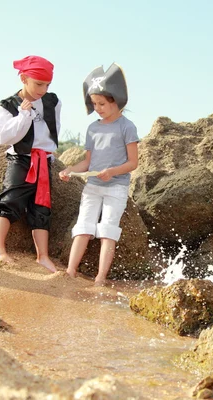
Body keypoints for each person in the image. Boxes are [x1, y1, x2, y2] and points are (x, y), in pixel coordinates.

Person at [59, 63, 139, 285]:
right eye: (94, 104)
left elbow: (133, 162)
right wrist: (69, 170)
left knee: (108, 231)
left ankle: (100, 278)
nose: (98, 108)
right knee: (83, 227)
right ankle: (70, 272)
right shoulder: (93, 128)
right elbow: (87, 162)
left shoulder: (127, 127)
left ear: (116, 99)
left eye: (102, 103)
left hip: (116, 188)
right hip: (92, 187)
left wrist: (112, 171)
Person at [0, 55, 60, 273]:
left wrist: (51, 153)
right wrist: (23, 115)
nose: (43, 89)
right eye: (39, 83)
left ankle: (43, 256)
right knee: (9, 201)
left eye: (47, 84)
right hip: (20, 159)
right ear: (23, 78)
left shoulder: (52, 101)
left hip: (43, 160)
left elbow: (52, 129)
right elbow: (3, 138)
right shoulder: (6, 105)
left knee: (42, 207)